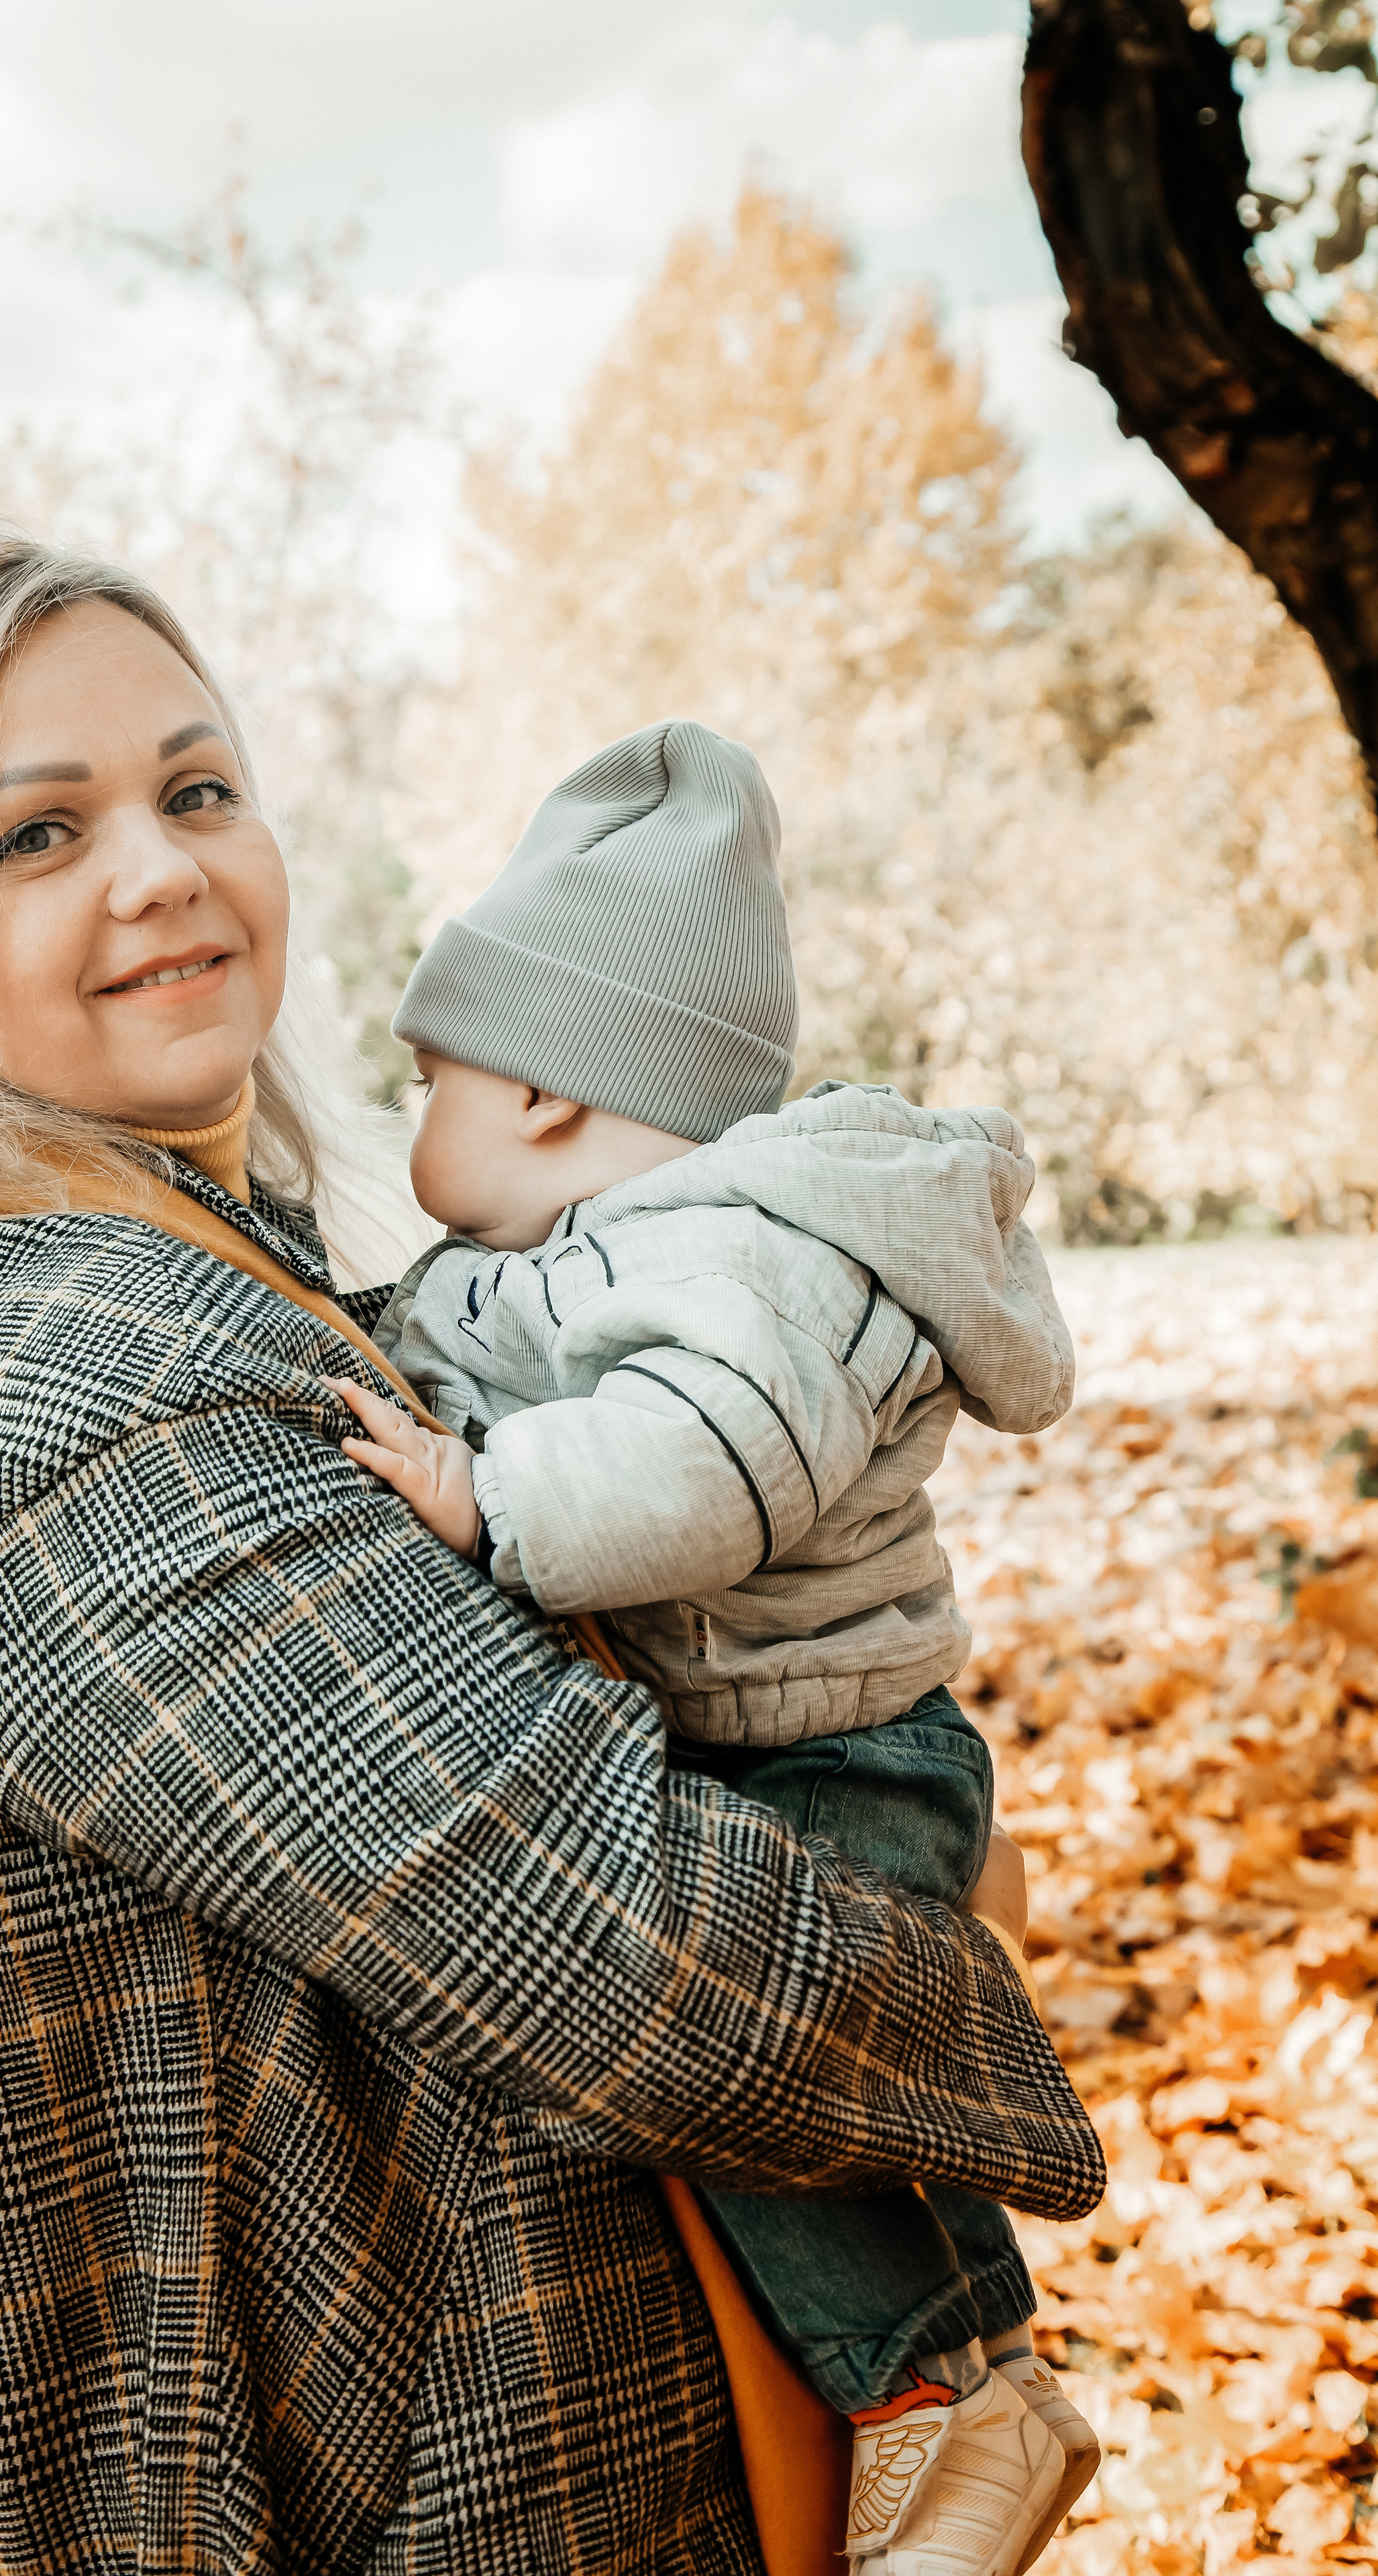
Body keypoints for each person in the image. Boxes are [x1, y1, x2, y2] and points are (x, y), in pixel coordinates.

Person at [0, 538, 1105, 2575]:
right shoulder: (82, 1393)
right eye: (34, 834)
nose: (162, 869)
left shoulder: (153, 1275)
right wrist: (968, 1922)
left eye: (195, 791)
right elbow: (625, 1957)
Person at [333, 720, 1101, 2576]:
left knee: (757, 2084)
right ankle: (997, 2377)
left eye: (427, 1073)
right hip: (777, 1734)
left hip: (832, 1757)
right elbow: (471, 1331)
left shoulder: (741, 1256)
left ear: (542, 1097)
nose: (409, 1111)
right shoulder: (609, 1240)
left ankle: (933, 2405)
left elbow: (710, 1467)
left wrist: (491, 1498)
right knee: (834, 2094)